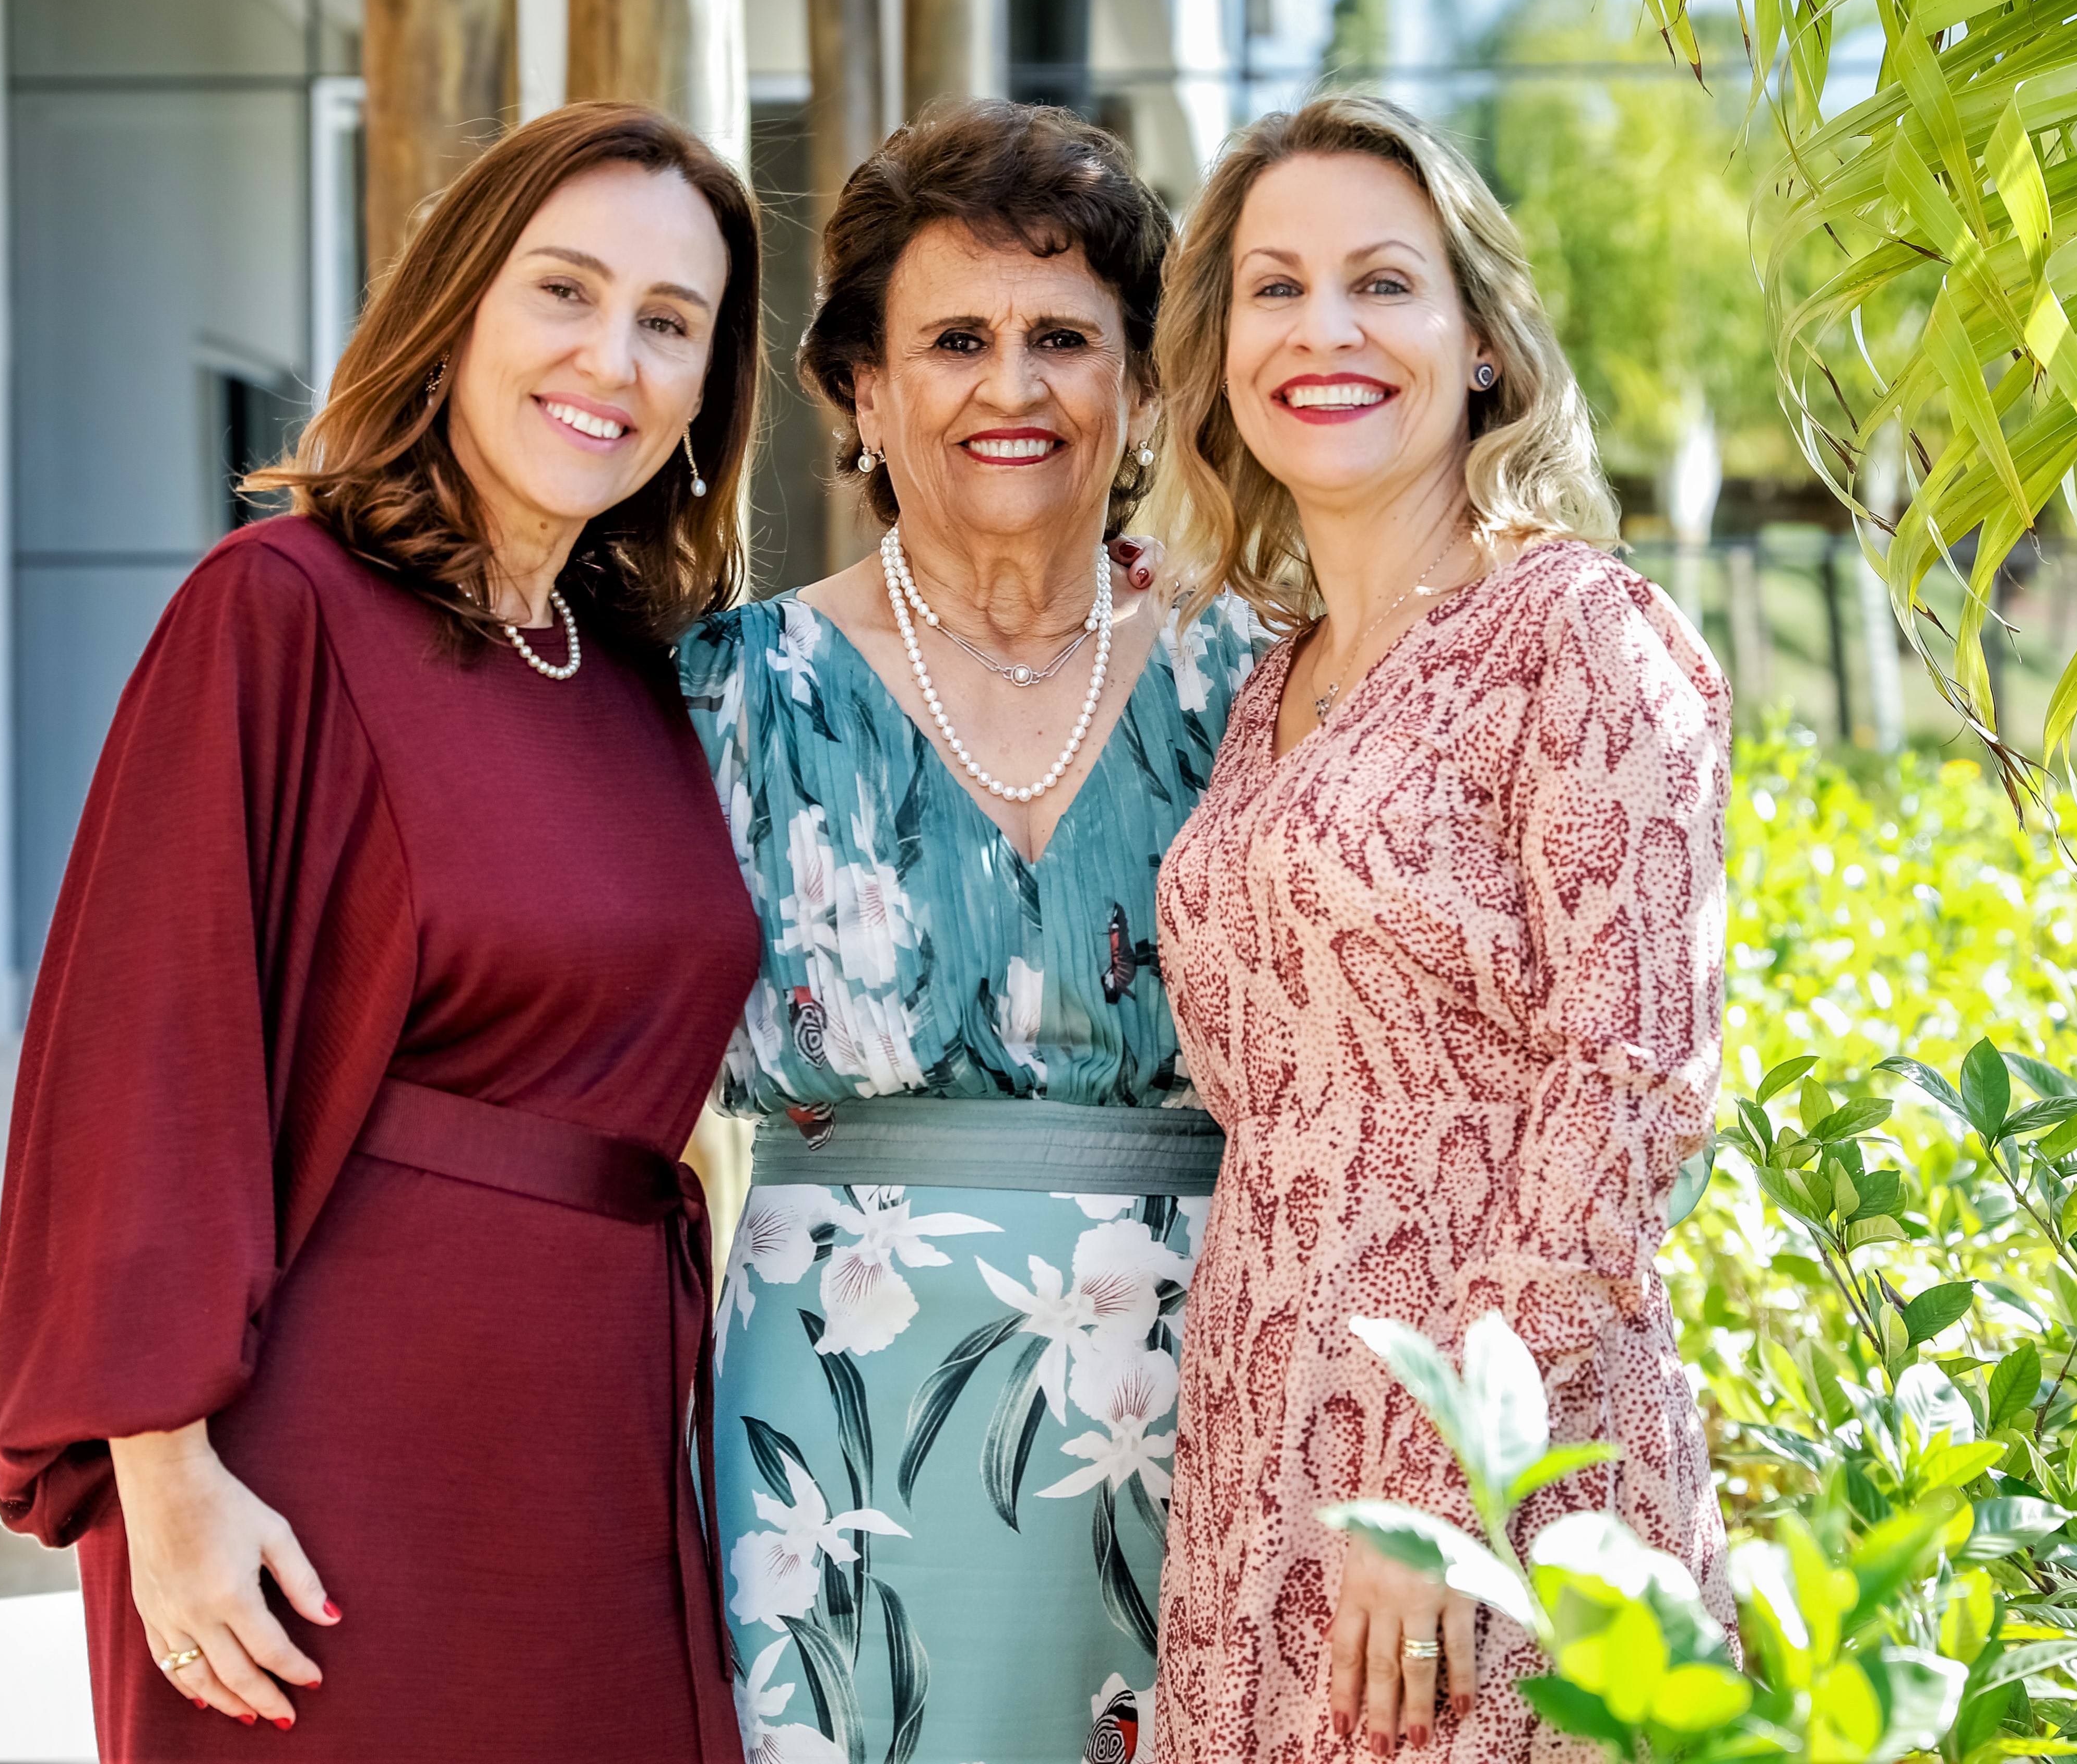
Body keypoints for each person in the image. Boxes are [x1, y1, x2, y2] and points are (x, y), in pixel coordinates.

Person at [0, 102, 764, 1762]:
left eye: (669, 322)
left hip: (607, 1443)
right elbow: (148, 1053)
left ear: (711, 388)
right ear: (458, 305)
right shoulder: (279, 607)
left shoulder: (640, 678)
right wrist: (163, 1470)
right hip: (317, 1464)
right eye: (564, 291)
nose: (611, 358)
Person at [1147, 93, 1735, 1760]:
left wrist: (1433, 1485)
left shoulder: (1579, 634)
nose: (1321, 330)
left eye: (1382, 283)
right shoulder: (1267, 685)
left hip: (1499, 1470)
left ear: (1479, 343)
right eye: (1274, 288)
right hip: (1260, 1443)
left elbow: (1626, 1086)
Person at [677, 99, 1261, 1764]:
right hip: (834, 1412)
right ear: (865, 392)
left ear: (1139, 386)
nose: (1013, 386)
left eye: (1062, 338)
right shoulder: (731, 690)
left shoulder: (1263, 684)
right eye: (954, 341)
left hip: (1203, 1395)